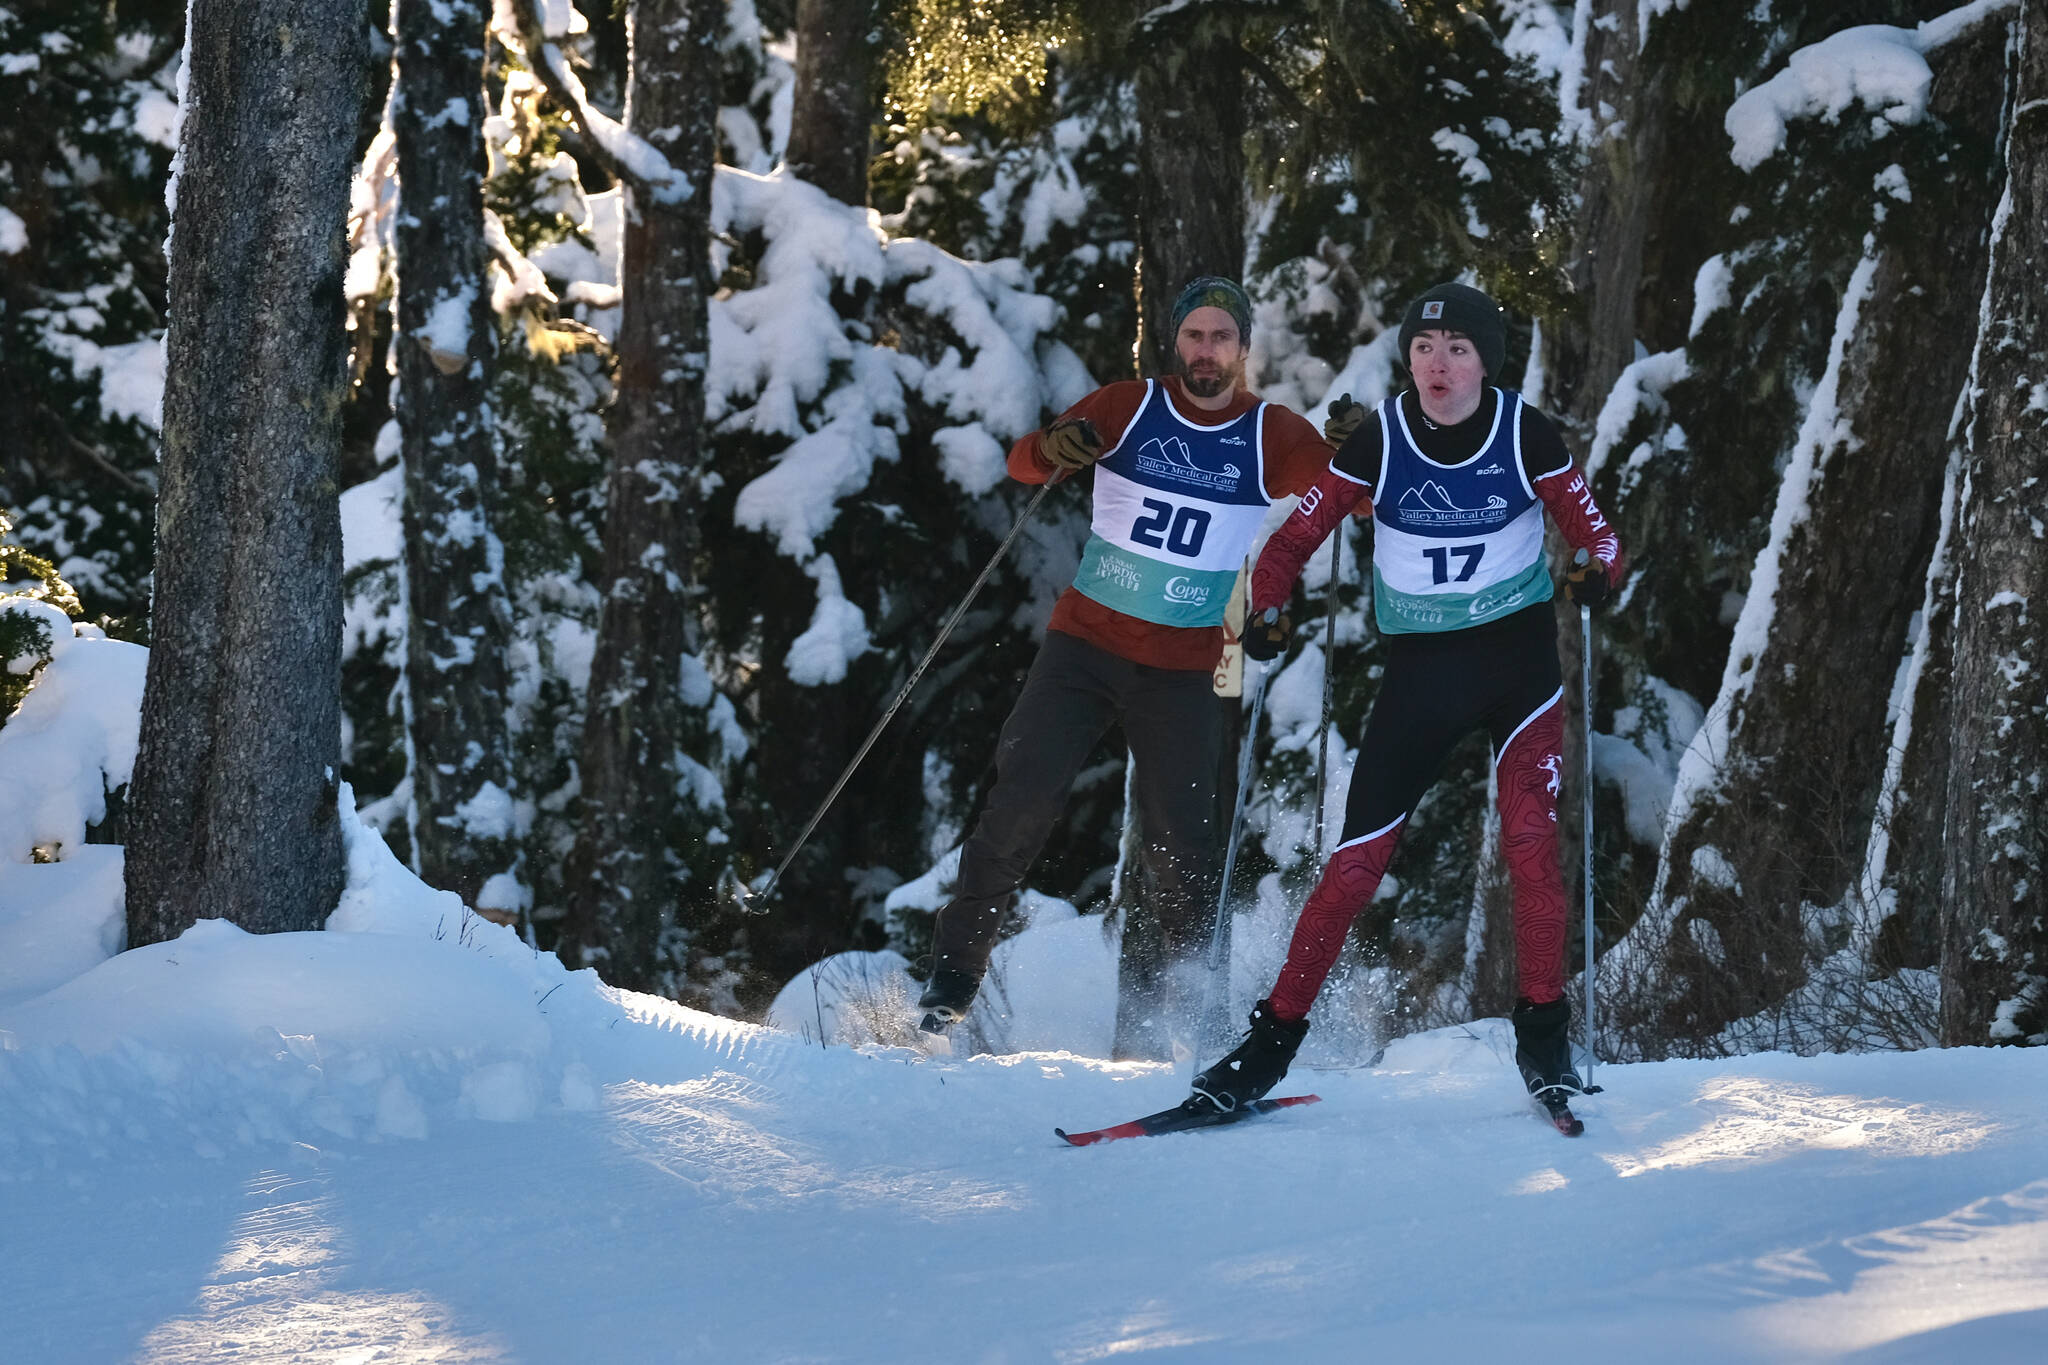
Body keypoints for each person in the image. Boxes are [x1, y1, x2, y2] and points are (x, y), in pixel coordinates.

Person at [1186, 281, 1626, 1110]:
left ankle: (1545, 1040)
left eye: (1458, 349)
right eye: (1424, 348)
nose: (1437, 364)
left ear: (1485, 362)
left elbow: (1597, 530)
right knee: (1354, 866)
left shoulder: (1523, 431)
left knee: (1531, 847)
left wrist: (1597, 568)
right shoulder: (1379, 440)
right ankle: (1268, 1047)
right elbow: (1288, 547)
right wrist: (1269, 611)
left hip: (1518, 668)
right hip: (1422, 675)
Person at [918, 277, 1332, 1057]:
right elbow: (1022, 464)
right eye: (1194, 336)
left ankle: (1191, 1016)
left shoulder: (1270, 434)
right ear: (1177, 343)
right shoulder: (1127, 407)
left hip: (1180, 671)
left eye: (1221, 337)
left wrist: (1361, 447)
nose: (1206, 351)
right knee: (1020, 801)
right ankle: (952, 979)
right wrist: (1054, 449)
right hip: (1084, 651)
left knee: (1186, 845)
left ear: (1245, 348)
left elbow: (1354, 495)